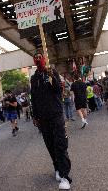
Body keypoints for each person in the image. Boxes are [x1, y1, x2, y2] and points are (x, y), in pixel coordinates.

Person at [31, 50, 72, 190]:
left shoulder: (52, 72)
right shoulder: (34, 78)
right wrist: (35, 116)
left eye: (39, 57)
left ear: (44, 58)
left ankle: (65, 176)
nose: (37, 59)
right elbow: (34, 98)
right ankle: (57, 168)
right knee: (50, 145)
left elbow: (57, 90)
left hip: (56, 115)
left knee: (60, 144)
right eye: (35, 57)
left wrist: (51, 76)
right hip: (43, 119)